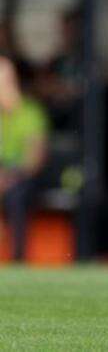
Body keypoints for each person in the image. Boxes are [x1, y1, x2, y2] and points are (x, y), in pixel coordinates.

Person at [0, 57, 48, 262]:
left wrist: (8, 178)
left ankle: (18, 259)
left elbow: (34, 161)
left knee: (15, 195)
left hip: (23, 178)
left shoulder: (31, 113)